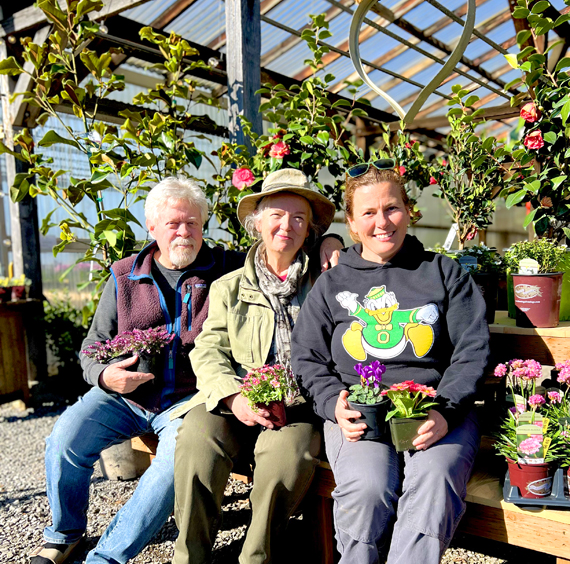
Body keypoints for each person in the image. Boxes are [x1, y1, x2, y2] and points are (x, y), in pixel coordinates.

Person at [31, 175, 342, 564]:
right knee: (65, 438)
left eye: (192, 223)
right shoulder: (124, 275)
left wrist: (331, 240)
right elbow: (93, 345)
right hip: (127, 396)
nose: (184, 232)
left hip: (187, 399)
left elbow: (284, 241)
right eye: (173, 223)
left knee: (173, 465)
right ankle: (64, 534)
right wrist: (105, 376)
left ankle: (106, 557)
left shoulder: (223, 267)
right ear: (151, 227)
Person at [291, 163, 490, 564]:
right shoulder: (332, 284)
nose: (382, 222)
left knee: (434, 480)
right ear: (351, 224)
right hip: (360, 414)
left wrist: (446, 410)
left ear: (408, 211)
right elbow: (307, 357)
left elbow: (472, 350)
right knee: (366, 488)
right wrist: (333, 404)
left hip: (436, 410)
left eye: (391, 208)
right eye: (368, 212)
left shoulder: (443, 273)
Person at [172, 169, 338, 564]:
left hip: (298, 408)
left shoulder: (327, 282)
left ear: (310, 230)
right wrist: (234, 396)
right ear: (257, 223)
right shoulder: (228, 287)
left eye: (298, 218)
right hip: (237, 399)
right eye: (276, 215)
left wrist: (336, 241)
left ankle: (256, 557)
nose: (287, 226)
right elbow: (208, 349)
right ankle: (189, 556)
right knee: (196, 439)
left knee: (286, 460)